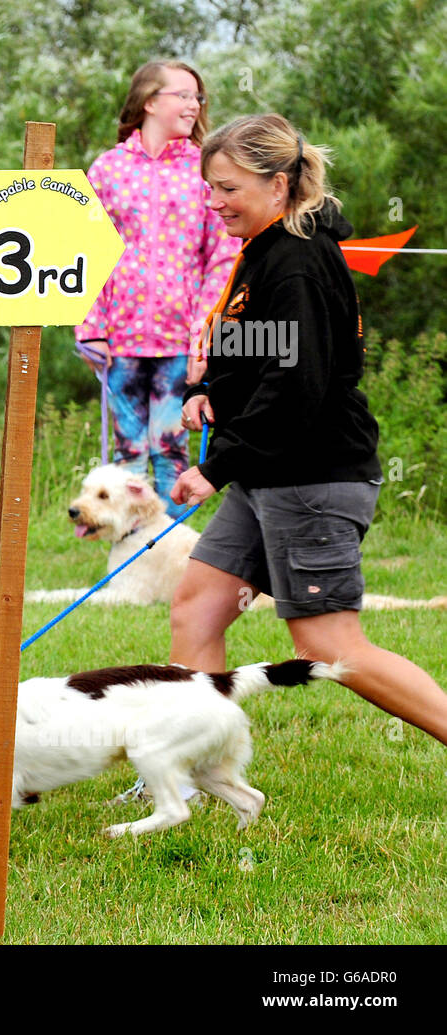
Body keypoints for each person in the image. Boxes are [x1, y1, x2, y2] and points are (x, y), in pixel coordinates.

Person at [170, 113, 447, 749]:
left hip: (312, 477)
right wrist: (207, 393)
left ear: (279, 184)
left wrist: (215, 467)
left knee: (328, 644)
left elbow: (298, 387)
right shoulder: (266, 250)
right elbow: (259, 356)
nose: (215, 203)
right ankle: (184, 769)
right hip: (267, 472)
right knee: (196, 608)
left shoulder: (296, 261)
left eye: (229, 189)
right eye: (210, 188)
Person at [76, 60, 239, 517]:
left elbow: (222, 258)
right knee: (127, 454)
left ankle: (175, 556)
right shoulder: (107, 170)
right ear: (150, 100)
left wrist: (205, 333)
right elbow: (85, 253)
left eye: (197, 97)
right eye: (182, 95)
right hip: (118, 341)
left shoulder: (205, 168)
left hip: (179, 342)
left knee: (170, 448)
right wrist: (89, 326)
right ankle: (127, 560)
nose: (194, 105)